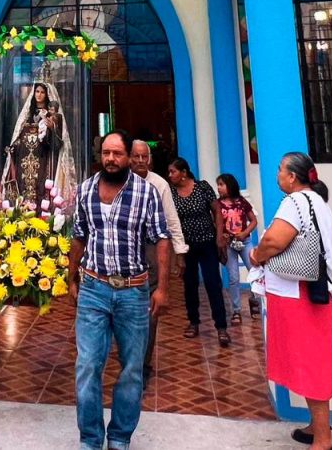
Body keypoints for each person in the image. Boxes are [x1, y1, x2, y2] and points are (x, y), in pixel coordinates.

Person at [69, 130, 169, 450]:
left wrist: (162, 288)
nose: (111, 159)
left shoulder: (145, 192)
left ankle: (120, 437)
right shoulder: (85, 190)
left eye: (117, 154)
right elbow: (79, 235)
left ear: (128, 157)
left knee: (132, 369)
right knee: (87, 365)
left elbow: (161, 238)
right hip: (93, 288)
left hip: (133, 292)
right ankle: (90, 439)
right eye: (106, 153)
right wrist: (71, 277)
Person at [250, 153, 332, 450]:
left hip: (300, 294)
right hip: (314, 290)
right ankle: (318, 426)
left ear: (292, 177)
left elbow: (274, 240)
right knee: (311, 360)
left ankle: (324, 439)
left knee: (311, 363)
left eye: (280, 170)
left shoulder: (295, 202)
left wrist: (256, 256)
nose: (277, 174)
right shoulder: (317, 201)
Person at [130, 137, 186, 382]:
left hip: (152, 252)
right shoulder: (119, 181)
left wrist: (180, 254)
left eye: (145, 156)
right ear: (129, 158)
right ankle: (129, 358)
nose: (141, 161)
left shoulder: (159, 184)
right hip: (124, 254)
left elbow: (172, 220)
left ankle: (143, 364)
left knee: (149, 312)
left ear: (150, 160)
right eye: (136, 156)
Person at [167, 157, 230, 346]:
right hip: (186, 247)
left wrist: (219, 236)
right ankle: (193, 321)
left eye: (173, 171)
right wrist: (177, 254)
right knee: (190, 284)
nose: (170, 175)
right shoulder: (171, 193)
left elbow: (217, 211)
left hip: (207, 243)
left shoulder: (202, 187)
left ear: (184, 173)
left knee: (213, 283)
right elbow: (171, 222)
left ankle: (221, 327)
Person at [1, 80, 76, 207]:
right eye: (37, 91)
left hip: (43, 160)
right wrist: (13, 147)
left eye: (42, 92)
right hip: (24, 160)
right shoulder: (27, 114)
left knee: (41, 190)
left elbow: (57, 144)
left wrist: (52, 129)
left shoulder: (52, 116)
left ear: (47, 95)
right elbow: (19, 136)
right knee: (23, 190)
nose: (39, 95)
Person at [217, 173, 260, 324]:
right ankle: (236, 310)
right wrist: (222, 235)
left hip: (244, 242)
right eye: (218, 185)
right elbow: (215, 224)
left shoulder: (241, 202)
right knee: (233, 277)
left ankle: (255, 301)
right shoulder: (217, 205)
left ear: (230, 186)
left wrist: (245, 233)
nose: (219, 188)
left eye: (221, 184)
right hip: (228, 245)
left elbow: (253, 221)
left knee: (254, 272)